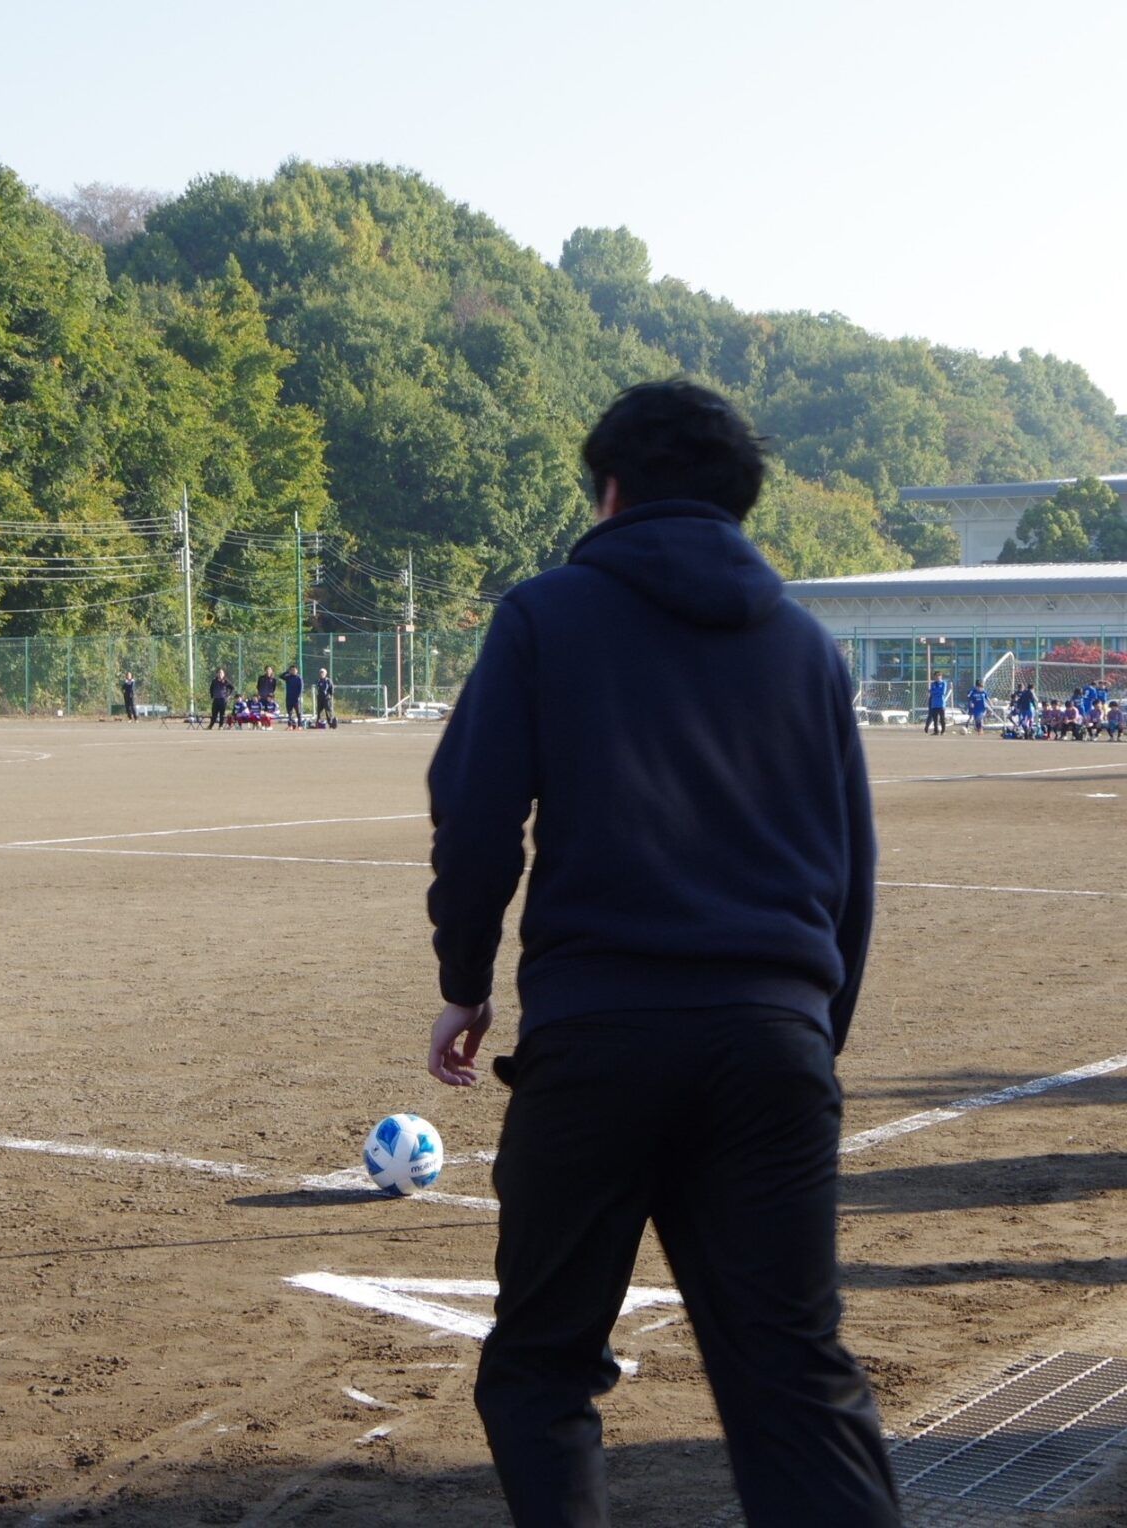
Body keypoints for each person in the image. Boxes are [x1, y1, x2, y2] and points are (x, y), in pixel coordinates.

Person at [425, 381, 897, 1528]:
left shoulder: (546, 615)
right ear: (741, 501)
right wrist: (802, 1038)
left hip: (599, 1037)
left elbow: (476, 815)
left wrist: (465, 982)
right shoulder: (805, 647)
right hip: (774, 1046)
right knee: (796, 1377)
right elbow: (852, 869)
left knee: (542, 1367)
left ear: (611, 491)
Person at [283, 664, 304, 729]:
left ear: (297, 670)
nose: (293, 671)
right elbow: (281, 676)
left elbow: (301, 688)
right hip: (289, 698)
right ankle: (290, 725)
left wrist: (298, 697)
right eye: (291, 670)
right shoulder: (288, 677)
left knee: (298, 712)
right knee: (289, 713)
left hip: (296, 699)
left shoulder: (299, 678)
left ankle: (300, 725)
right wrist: (287, 671)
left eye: (294, 670)